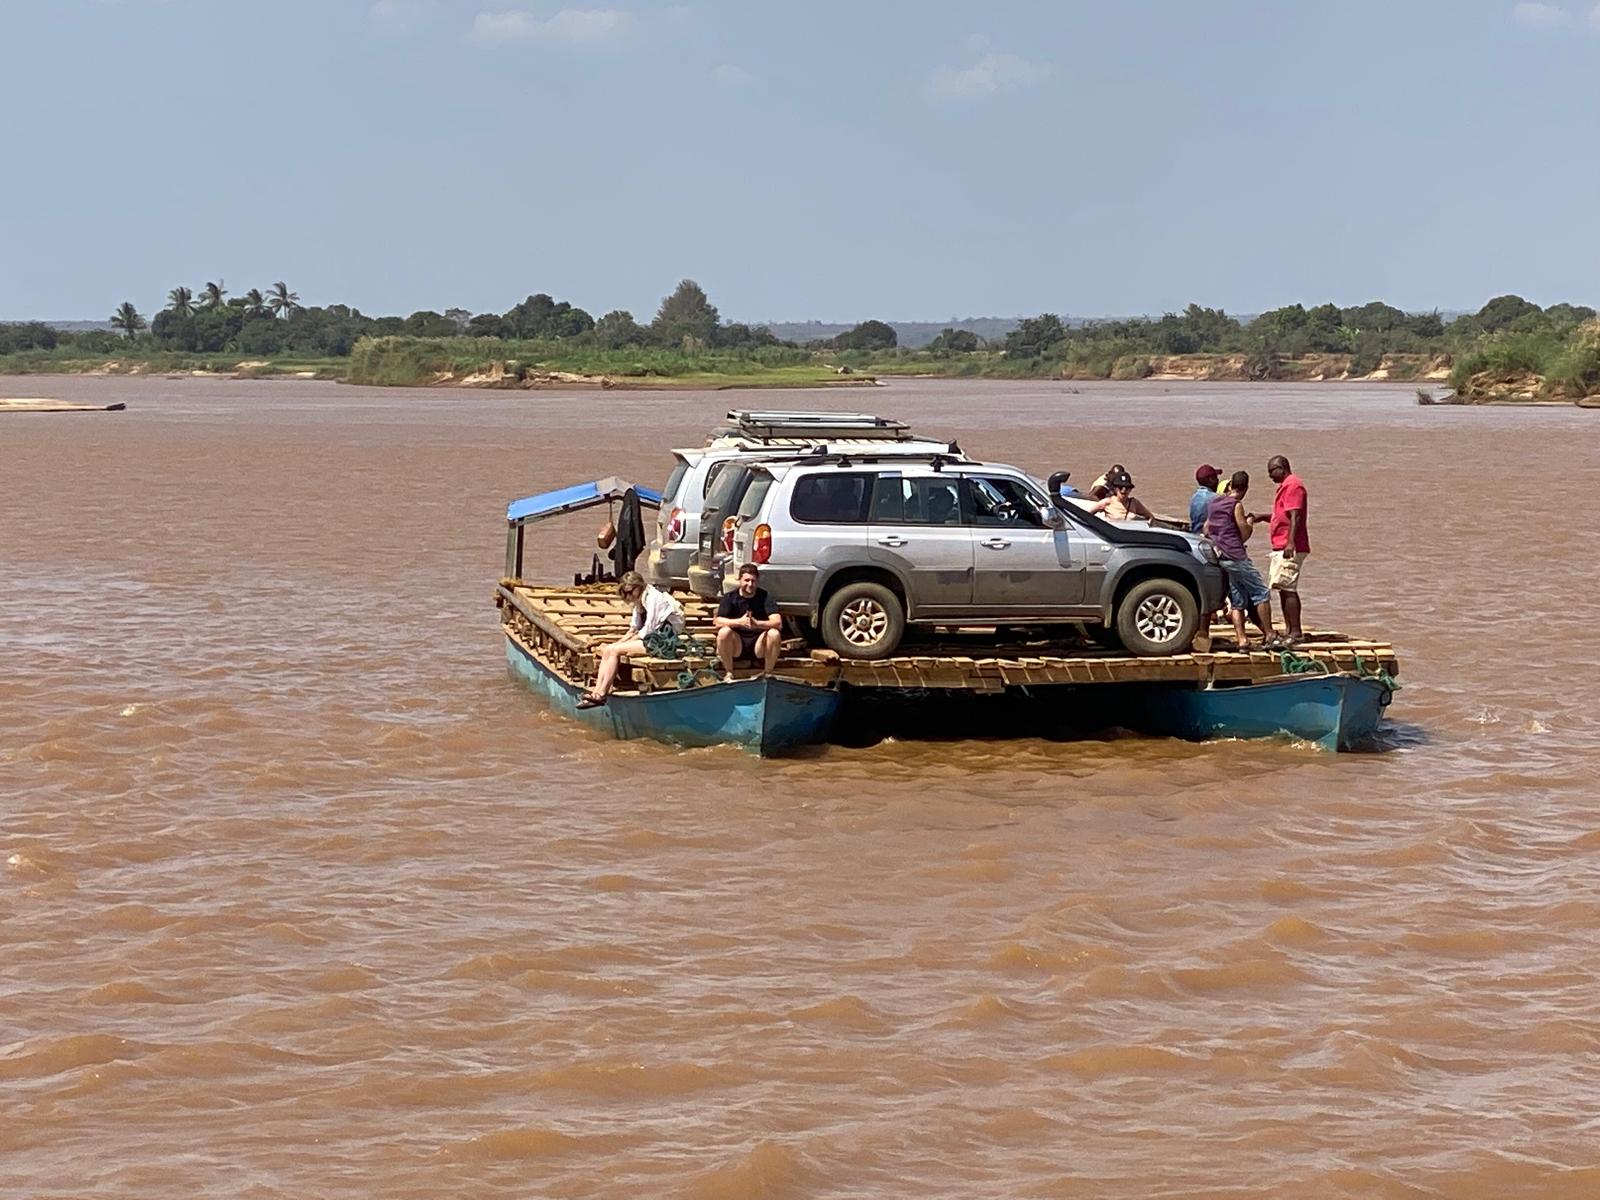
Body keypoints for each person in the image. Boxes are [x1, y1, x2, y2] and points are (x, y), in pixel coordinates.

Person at [578, 570, 684, 708]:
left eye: (629, 591)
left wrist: (620, 646)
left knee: (615, 651)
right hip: (649, 637)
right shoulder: (639, 601)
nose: (628, 596)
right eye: (625, 593)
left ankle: (602, 694)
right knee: (608, 650)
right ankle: (596, 691)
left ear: (639, 586)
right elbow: (634, 628)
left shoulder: (654, 598)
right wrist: (618, 643)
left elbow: (648, 630)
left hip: (661, 640)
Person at [1206, 470, 1275, 648]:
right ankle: (1270, 635)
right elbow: (1244, 533)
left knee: (1237, 599)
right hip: (1236, 555)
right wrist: (1250, 521)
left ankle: (1242, 639)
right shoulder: (1236, 505)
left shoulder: (1214, 503)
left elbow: (1207, 528)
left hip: (1220, 555)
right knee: (1261, 593)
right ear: (1245, 488)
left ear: (1229, 486)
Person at [1264, 454, 1310, 644]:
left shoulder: (1293, 486)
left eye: (1272, 472)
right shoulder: (1285, 487)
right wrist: (1262, 517)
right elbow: (1281, 517)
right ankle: (1289, 629)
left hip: (1290, 545)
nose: (1270, 476)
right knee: (1283, 587)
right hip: (1282, 543)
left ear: (1282, 468)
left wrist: (1290, 542)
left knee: (1289, 587)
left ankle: (1296, 632)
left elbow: (1295, 517)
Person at [714, 562, 782, 681]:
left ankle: (768, 673)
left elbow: (778, 623)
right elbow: (718, 622)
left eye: (753, 581)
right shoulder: (730, 597)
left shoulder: (765, 597)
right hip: (737, 644)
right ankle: (729, 672)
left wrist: (757, 624)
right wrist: (739, 622)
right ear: (740, 580)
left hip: (759, 644)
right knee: (724, 632)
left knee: (774, 633)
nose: (750, 584)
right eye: (746, 580)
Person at [1087, 469, 1155, 522]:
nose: (1123, 490)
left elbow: (1150, 517)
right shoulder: (1107, 502)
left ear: (1130, 489)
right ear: (1115, 488)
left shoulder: (1134, 503)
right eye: (1120, 487)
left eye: (1127, 487)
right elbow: (1087, 515)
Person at [1190, 464, 1221, 533]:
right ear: (1211, 480)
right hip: (1207, 537)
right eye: (1216, 477)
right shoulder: (1216, 499)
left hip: (1195, 533)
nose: (1218, 480)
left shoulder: (1194, 497)